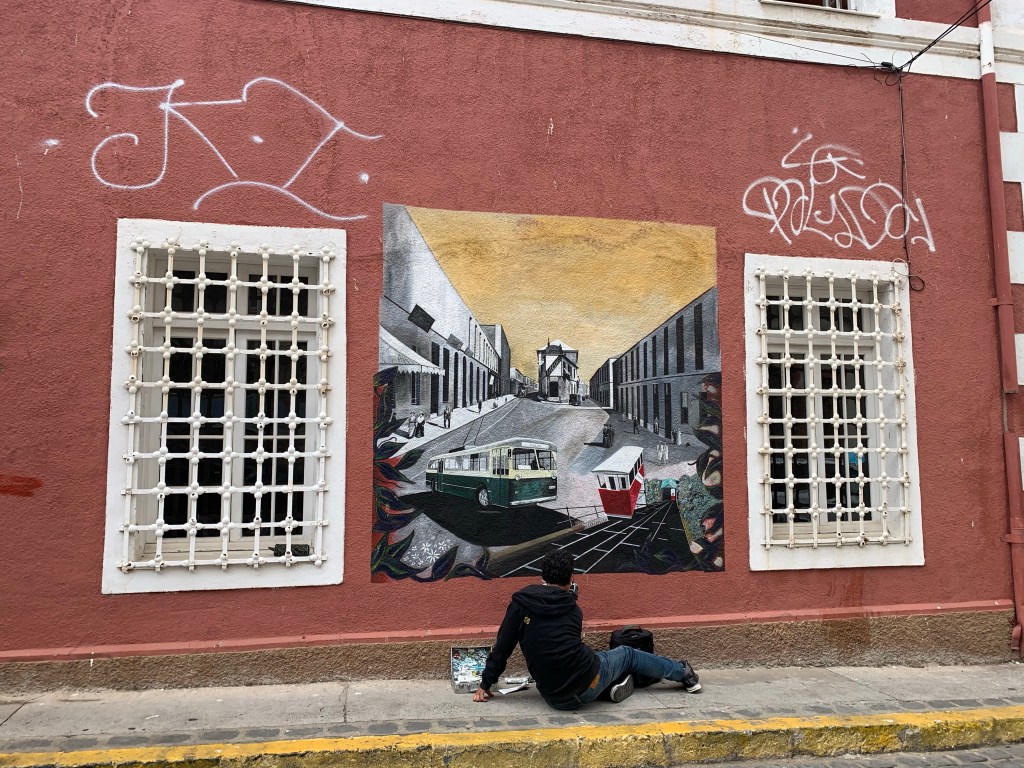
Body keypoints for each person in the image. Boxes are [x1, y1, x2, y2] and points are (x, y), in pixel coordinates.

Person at [472, 551, 701, 710]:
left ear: (542, 577)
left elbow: (503, 646)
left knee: (598, 659)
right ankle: (683, 672)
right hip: (586, 685)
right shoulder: (573, 609)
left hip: (553, 698)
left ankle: (610, 687)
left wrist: (485, 684)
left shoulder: (520, 603)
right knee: (627, 653)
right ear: (571, 578)